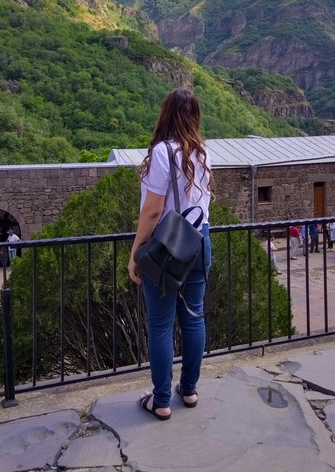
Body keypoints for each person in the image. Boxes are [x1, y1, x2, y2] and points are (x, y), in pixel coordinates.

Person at [127, 88, 212, 421]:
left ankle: (161, 400)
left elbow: (152, 211)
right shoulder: (203, 152)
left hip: (167, 248)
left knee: (161, 325)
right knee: (194, 318)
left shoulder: (163, 152)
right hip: (199, 242)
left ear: (165, 114)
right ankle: (188, 390)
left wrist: (135, 252)